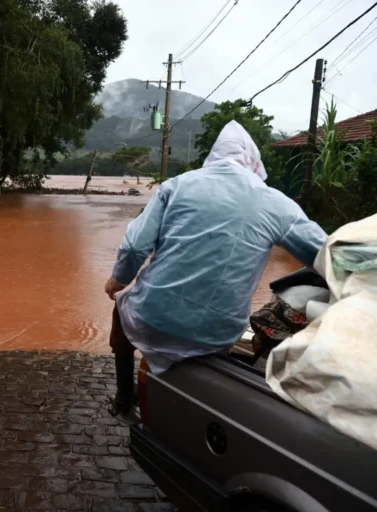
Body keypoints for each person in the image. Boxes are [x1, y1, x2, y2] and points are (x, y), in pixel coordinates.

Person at [104, 121, 327, 419]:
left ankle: (123, 398)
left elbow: (134, 247)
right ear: (253, 161)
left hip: (153, 318)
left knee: (121, 311)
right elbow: (326, 253)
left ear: (214, 155)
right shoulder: (277, 204)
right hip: (218, 333)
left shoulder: (177, 186)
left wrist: (117, 280)